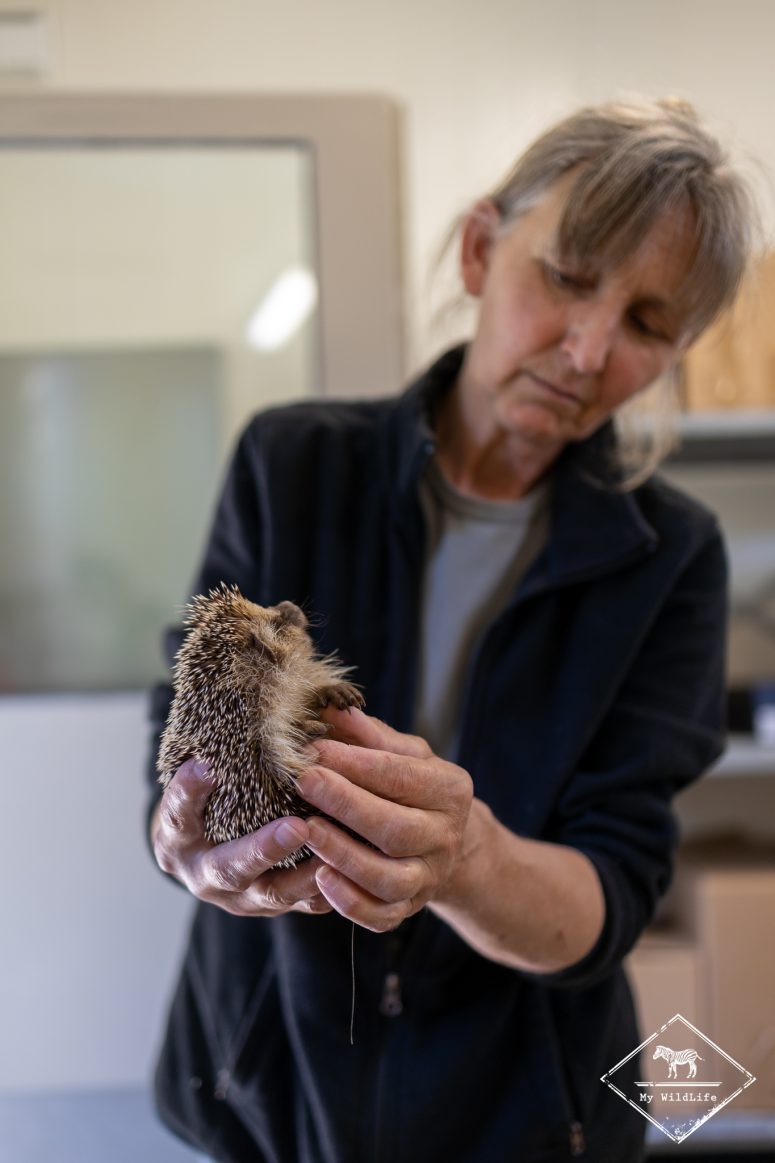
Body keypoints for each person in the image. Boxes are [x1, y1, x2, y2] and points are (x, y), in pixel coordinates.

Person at [147, 98, 753, 1162]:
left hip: (531, 1100)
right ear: (480, 249)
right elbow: (183, 747)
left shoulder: (675, 556)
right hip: (269, 1068)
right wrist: (184, 844)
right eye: (566, 276)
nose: (587, 348)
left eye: (648, 323)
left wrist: (466, 859)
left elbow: (608, 894)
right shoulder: (292, 465)